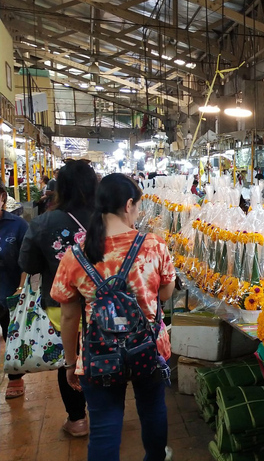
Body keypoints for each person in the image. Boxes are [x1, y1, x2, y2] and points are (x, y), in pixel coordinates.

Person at [51, 173, 175, 460]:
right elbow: (166, 294)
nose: (139, 212)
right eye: (138, 206)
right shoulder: (154, 245)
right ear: (129, 204)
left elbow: (69, 317)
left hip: (98, 353)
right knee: (153, 409)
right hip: (149, 348)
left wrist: (71, 363)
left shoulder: (75, 255)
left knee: (105, 427)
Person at [18, 159, 95, 434]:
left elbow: (28, 264)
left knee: (70, 357)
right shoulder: (108, 219)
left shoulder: (43, 222)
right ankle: (103, 412)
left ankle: (77, 419)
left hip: (61, 303)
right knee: (100, 350)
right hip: (103, 304)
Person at [0, 183, 28, 399]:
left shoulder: (18, 226)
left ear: (2, 198)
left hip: (10, 291)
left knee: (12, 333)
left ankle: (15, 377)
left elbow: (26, 263)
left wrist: (20, 289)